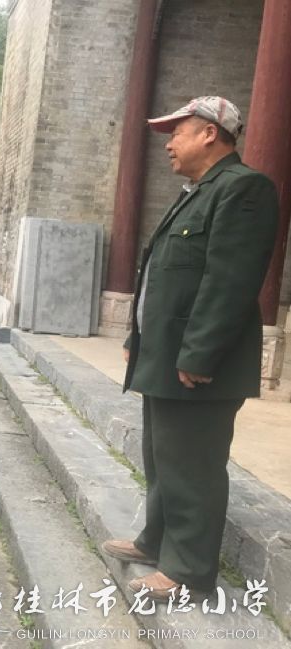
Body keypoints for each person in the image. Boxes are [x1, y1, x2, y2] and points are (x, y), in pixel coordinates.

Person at [102, 97, 279, 600]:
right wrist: (137, 339)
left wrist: (200, 354)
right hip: (165, 356)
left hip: (198, 363)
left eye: (177, 132)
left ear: (209, 133)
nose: (169, 144)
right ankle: (156, 542)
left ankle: (188, 572)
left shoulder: (243, 189)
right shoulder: (197, 192)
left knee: (193, 465)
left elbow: (230, 281)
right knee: (164, 458)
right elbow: (164, 277)